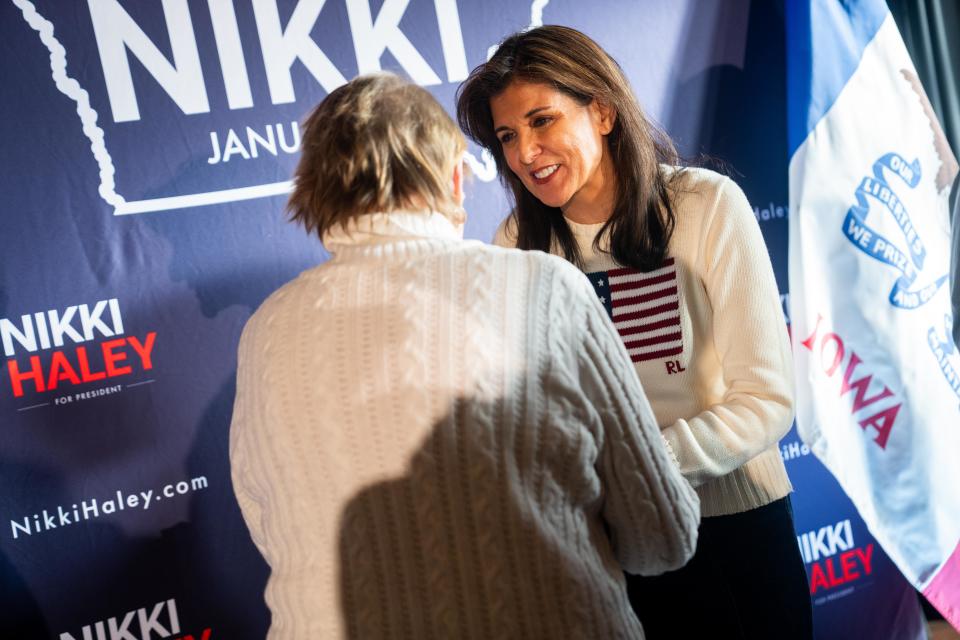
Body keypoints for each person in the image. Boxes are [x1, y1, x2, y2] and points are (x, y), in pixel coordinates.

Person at [229, 72, 699, 639]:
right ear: (454, 178)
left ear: (315, 189)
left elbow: (268, 524)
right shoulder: (545, 287)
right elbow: (662, 535)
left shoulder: (267, 329)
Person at [457, 26, 812, 639]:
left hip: (731, 526)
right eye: (508, 136)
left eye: (542, 121)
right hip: (610, 546)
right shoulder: (515, 243)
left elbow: (767, 400)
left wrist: (639, 472)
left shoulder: (706, 204)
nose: (525, 153)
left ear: (602, 110)